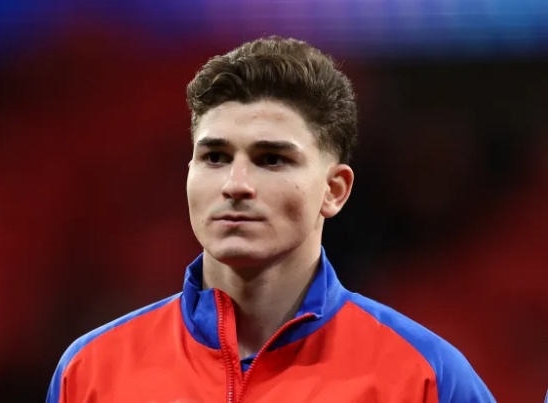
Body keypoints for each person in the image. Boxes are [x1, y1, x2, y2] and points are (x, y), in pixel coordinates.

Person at [47, 36, 495, 403]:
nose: (235, 184)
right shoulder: (91, 371)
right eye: (215, 156)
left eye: (272, 159)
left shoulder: (425, 377)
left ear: (334, 190)